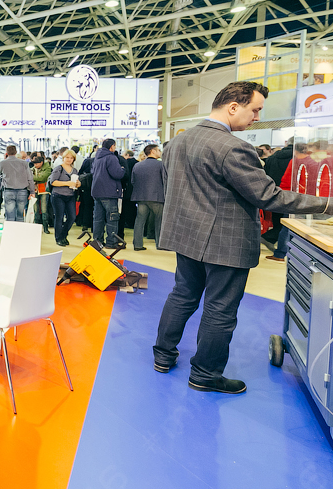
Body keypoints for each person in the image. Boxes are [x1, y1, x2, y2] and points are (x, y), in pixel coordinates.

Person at [154, 82, 331, 395]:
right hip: (225, 242)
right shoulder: (233, 147)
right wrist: (326, 204)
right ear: (233, 106)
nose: (257, 117)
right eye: (255, 110)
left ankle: (162, 355)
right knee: (220, 309)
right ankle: (205, 375)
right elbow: (268, 196)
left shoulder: (177, 142)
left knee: (182, 295)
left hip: (187, 235)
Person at [91, 138, 126, 248]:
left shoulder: (97, 157)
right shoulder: (111, 157)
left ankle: (97, 242)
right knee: (112, 218)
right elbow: (117, 173)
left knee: (98, 219)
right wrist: (122, 169)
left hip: (97, 192)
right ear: (111, 146)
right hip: (109, 192)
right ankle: (111, 242)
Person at [131, 144, 166, 251]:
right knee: (159, 221)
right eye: (158, 150)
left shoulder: (137, 165)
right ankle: (160, 244)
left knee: (140, 221)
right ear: (153, 151)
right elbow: (165, 180)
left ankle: (137, 244)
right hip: (157, 197)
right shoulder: (161, 165)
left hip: (141, 197)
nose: (160, 152)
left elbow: (133, 181)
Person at [48, 150, 80, 246]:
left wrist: (78, 184)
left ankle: (63, 235)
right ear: (63, 158)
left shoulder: (75, 170)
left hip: (70, 196)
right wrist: (67, 183)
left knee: (72, 217)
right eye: (67, 157)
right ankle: (59, 238)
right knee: (59, 217)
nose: (69, 159)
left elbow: (76, 183)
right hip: (58, 196)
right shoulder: (59, 168)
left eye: (71, 158)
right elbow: (53, 182)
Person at [0, 144, 32, 222]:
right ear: (16, 152)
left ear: (6, 153)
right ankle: (19, 229)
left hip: (8, 190)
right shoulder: (24, 163)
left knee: (10, 215)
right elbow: (30, 178)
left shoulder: (2, 163)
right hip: (22, 191)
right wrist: (32, 191)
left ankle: (11, 229)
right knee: (20, 215)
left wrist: (3, 175)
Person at [31, 155, 51, 233]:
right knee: (36, 209)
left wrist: (32, 177)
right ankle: (37, 226)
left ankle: (45, 227)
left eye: (37, 163)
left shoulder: (48, 168)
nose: (35, 165)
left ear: (41, 163)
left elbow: (42, 178)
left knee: (44, 209)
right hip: (35, 190)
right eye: (34, 164)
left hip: (44, 190)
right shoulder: (33, 169)